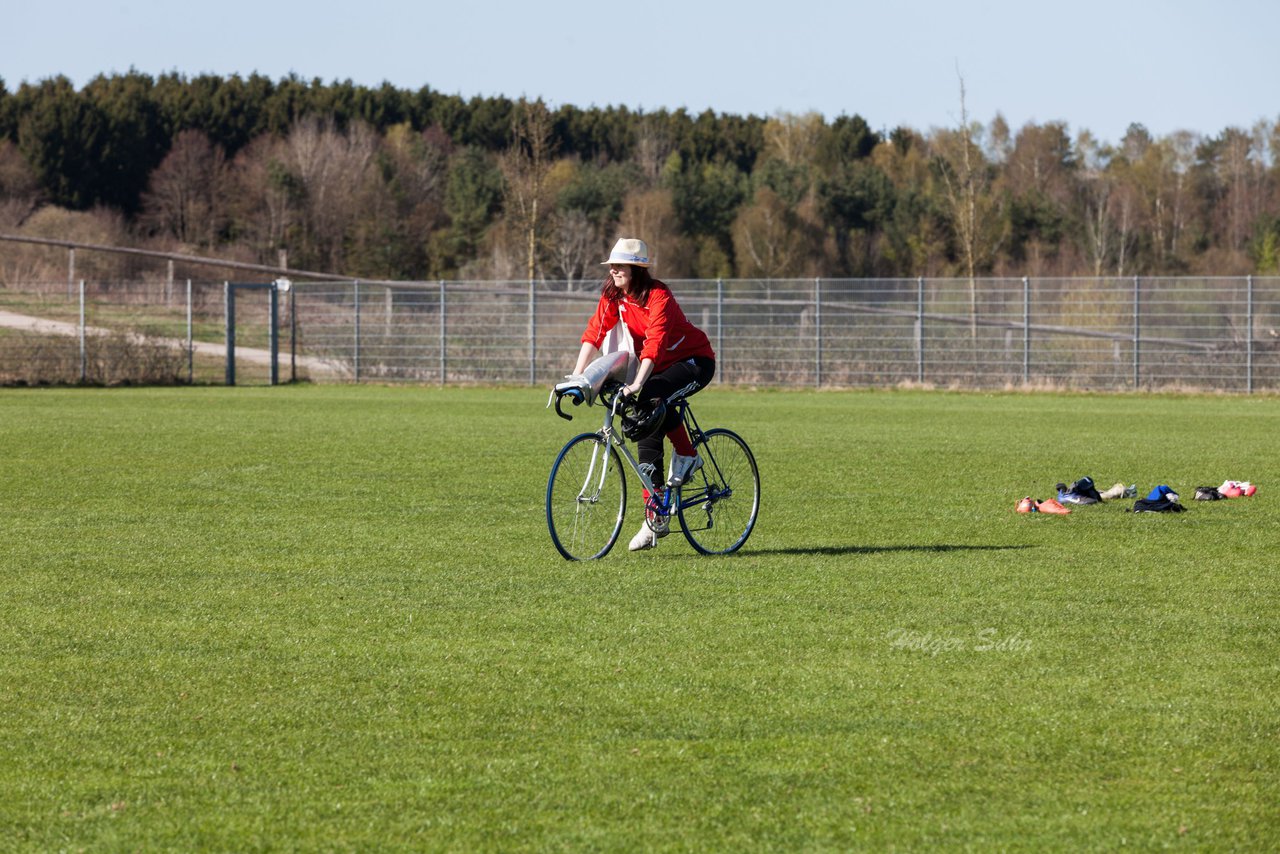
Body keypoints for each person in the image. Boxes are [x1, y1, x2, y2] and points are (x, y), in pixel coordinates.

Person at [571, 237, 716, 551]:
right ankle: (655, 516)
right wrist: (578, 374)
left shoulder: (658, 295)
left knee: (649, 395)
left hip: (693, 362)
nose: (614, 272)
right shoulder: (614, 295)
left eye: (620, 266)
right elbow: (595, 330)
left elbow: (655, 341)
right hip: (658, 367)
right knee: (642, 424)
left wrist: (637, 383)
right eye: (612, 267)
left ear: (636, 270)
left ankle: (688, 455)